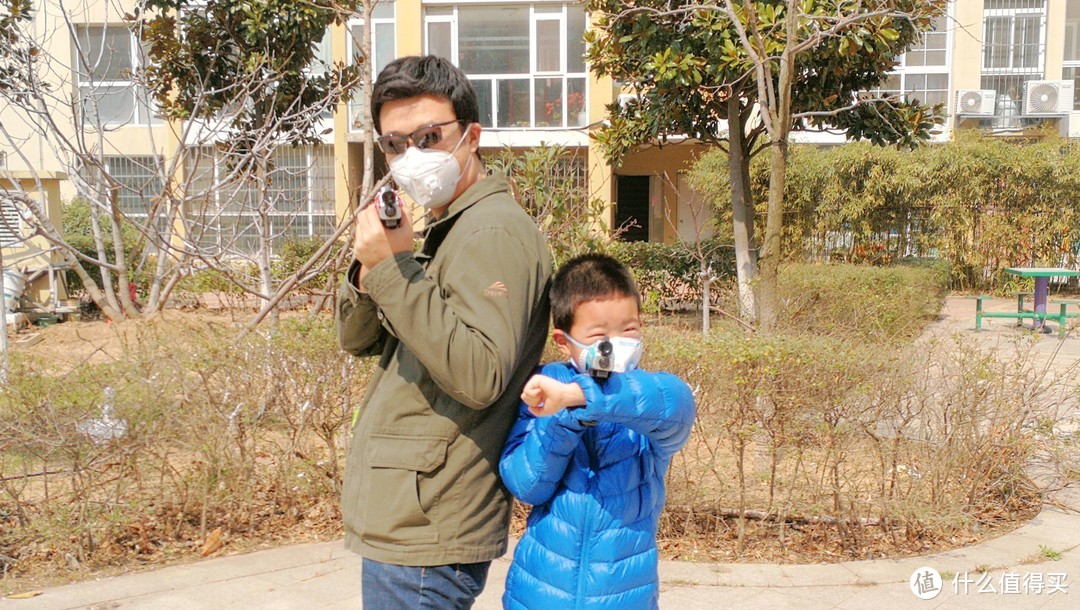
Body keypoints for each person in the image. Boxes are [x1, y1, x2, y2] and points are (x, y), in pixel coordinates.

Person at [336, 55, 552, 609]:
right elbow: (357, 341)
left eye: (429, 136)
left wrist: (392, 270)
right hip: (408, 516)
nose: (413, 157)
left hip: (429, 524)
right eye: (395, 144)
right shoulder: (443, 229)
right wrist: (375, 266)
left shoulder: (493, 231)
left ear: (472, 136)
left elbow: (480, 374)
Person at [499, 253, 696, 610]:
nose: (616, 343)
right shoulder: (544, 386)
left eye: (629, 329)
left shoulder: (645, 396)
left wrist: (582, 397)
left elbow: (679, 409)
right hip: (541, 595)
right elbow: (527, 484)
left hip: (626, 596)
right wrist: (563, 417)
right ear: (564, 340)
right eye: (600, 335)